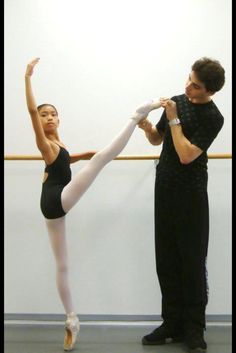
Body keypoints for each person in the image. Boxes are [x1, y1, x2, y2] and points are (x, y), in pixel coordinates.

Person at [25, 57, 162, 351]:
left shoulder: (60, 146)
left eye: (52, 114)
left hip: (52, 202)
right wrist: (27, 78)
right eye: (43, 115)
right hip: (55, 199)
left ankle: (71, 319)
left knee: (62, 265)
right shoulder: (45, 144)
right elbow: (31, 113)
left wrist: (85, 154)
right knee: (102, 161)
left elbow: (70, 160)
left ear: (59, 120)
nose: (48, 118)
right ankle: (136, 116)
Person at [138, 57, 225, 353]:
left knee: (192, 262)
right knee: (167, 259)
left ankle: (194, 329)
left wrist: (174, 119)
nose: (188, 86)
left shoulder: (214, 117)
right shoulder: (178, 100)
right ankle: (171, 323)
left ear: (210, 91)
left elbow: (187, 154)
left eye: (195, 85)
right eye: (188, 79)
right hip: (165, 189)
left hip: (192, 195)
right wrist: (147, 125)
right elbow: (157, 140)